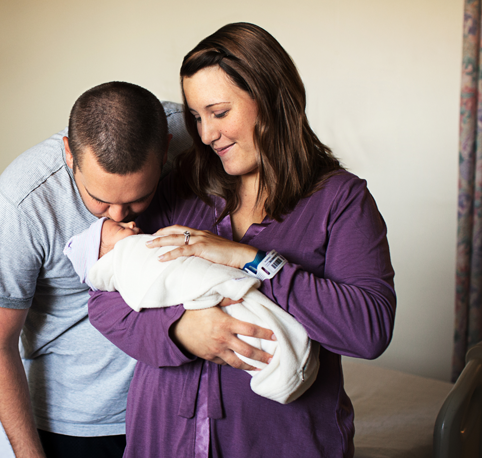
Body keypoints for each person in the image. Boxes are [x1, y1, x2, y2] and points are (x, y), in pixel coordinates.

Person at [88, 23, 396, 457]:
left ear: (268, 98)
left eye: (218, 112)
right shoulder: (182, 187)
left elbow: (369, 329)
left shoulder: (340, 200)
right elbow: (104, 296)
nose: (207, 134)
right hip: (164, 440)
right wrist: (179, 331)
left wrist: (250, 261)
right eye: (196, 118)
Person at [0, 81, 203, 458]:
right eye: (100, 199)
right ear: (69, 155)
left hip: (180, 408)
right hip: (81, 425)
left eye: (139, 197)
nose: (121, 216)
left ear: (166, 151)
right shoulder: (22, 205)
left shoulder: (193, 135)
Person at [64, 217, 319, 405]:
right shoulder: (131, 253)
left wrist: (246, 258)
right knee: (254, 332)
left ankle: (286, 361)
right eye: (120, 228)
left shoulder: (340, 196)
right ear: (103, 254)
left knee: (258, 324)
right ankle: (284, 364)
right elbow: (165, 276)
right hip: (169, 409)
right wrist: (185, 324)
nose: (131, 223)